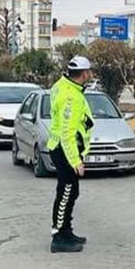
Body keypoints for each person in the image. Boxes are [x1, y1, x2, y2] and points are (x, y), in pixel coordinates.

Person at [47, 55, 94, 253]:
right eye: (89, 72)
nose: (90, 75)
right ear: (84, 74)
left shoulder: (63, 85)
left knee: (71, 191)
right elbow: (67, 133)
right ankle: (58, 236)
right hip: (65, 150)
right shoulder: (71, 97)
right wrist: (75, 161)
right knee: (66, 193)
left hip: (64, 148)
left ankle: (66, 230)